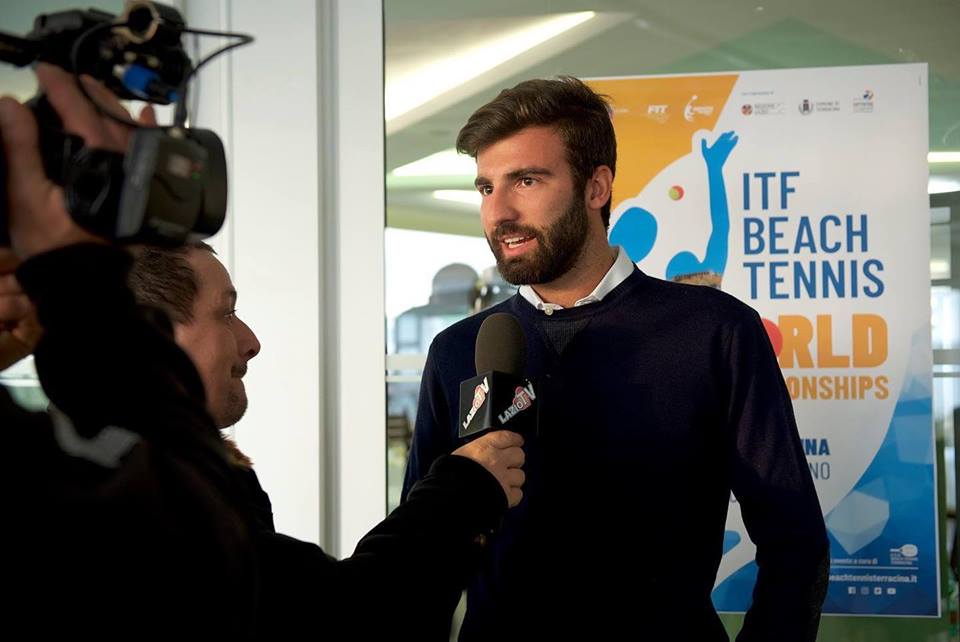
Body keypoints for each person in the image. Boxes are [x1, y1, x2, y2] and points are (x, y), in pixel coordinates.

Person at [0, 63, 526, 637]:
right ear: (152, 330)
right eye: (225, 312)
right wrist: (461, 492)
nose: (250, 341)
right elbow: (342, 624)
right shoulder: (105, 496)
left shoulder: (148, 469)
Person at [402, 76, 829, 641]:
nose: (498, 211)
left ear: (596, 186)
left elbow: (794, 542)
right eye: (486, 187)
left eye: (526, 180)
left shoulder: (715, 332)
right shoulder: (460, 349)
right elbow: (423, 550)